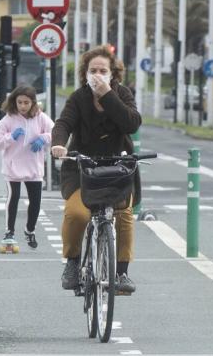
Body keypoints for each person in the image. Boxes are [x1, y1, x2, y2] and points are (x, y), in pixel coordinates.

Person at [51, 45, 142, 293]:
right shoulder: (79, 97)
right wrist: (59, 144)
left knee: (124, 216)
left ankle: (121, 273)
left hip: (117, 170)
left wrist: (107, 95)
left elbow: (132, 123)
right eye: (93, 70)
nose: (97, 75)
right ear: (85, 73)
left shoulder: (122, 94)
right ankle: (72, 263)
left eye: (103, 70)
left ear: (112, 73)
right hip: (83, 169)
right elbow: (64, 123)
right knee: (77, 214)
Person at [0, 85, 54, 249]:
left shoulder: (40, 117)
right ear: (14, 102)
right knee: (13, 198)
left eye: (26, 102)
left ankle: (30, 230)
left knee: (36, 202)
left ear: (33, 103)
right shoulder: (8, 119)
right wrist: (10, 137)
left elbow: (55, 132)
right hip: (13, 168)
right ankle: (9, 232)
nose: (23, 106)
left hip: (33, 167)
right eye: (20, 102)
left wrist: (44, 138)